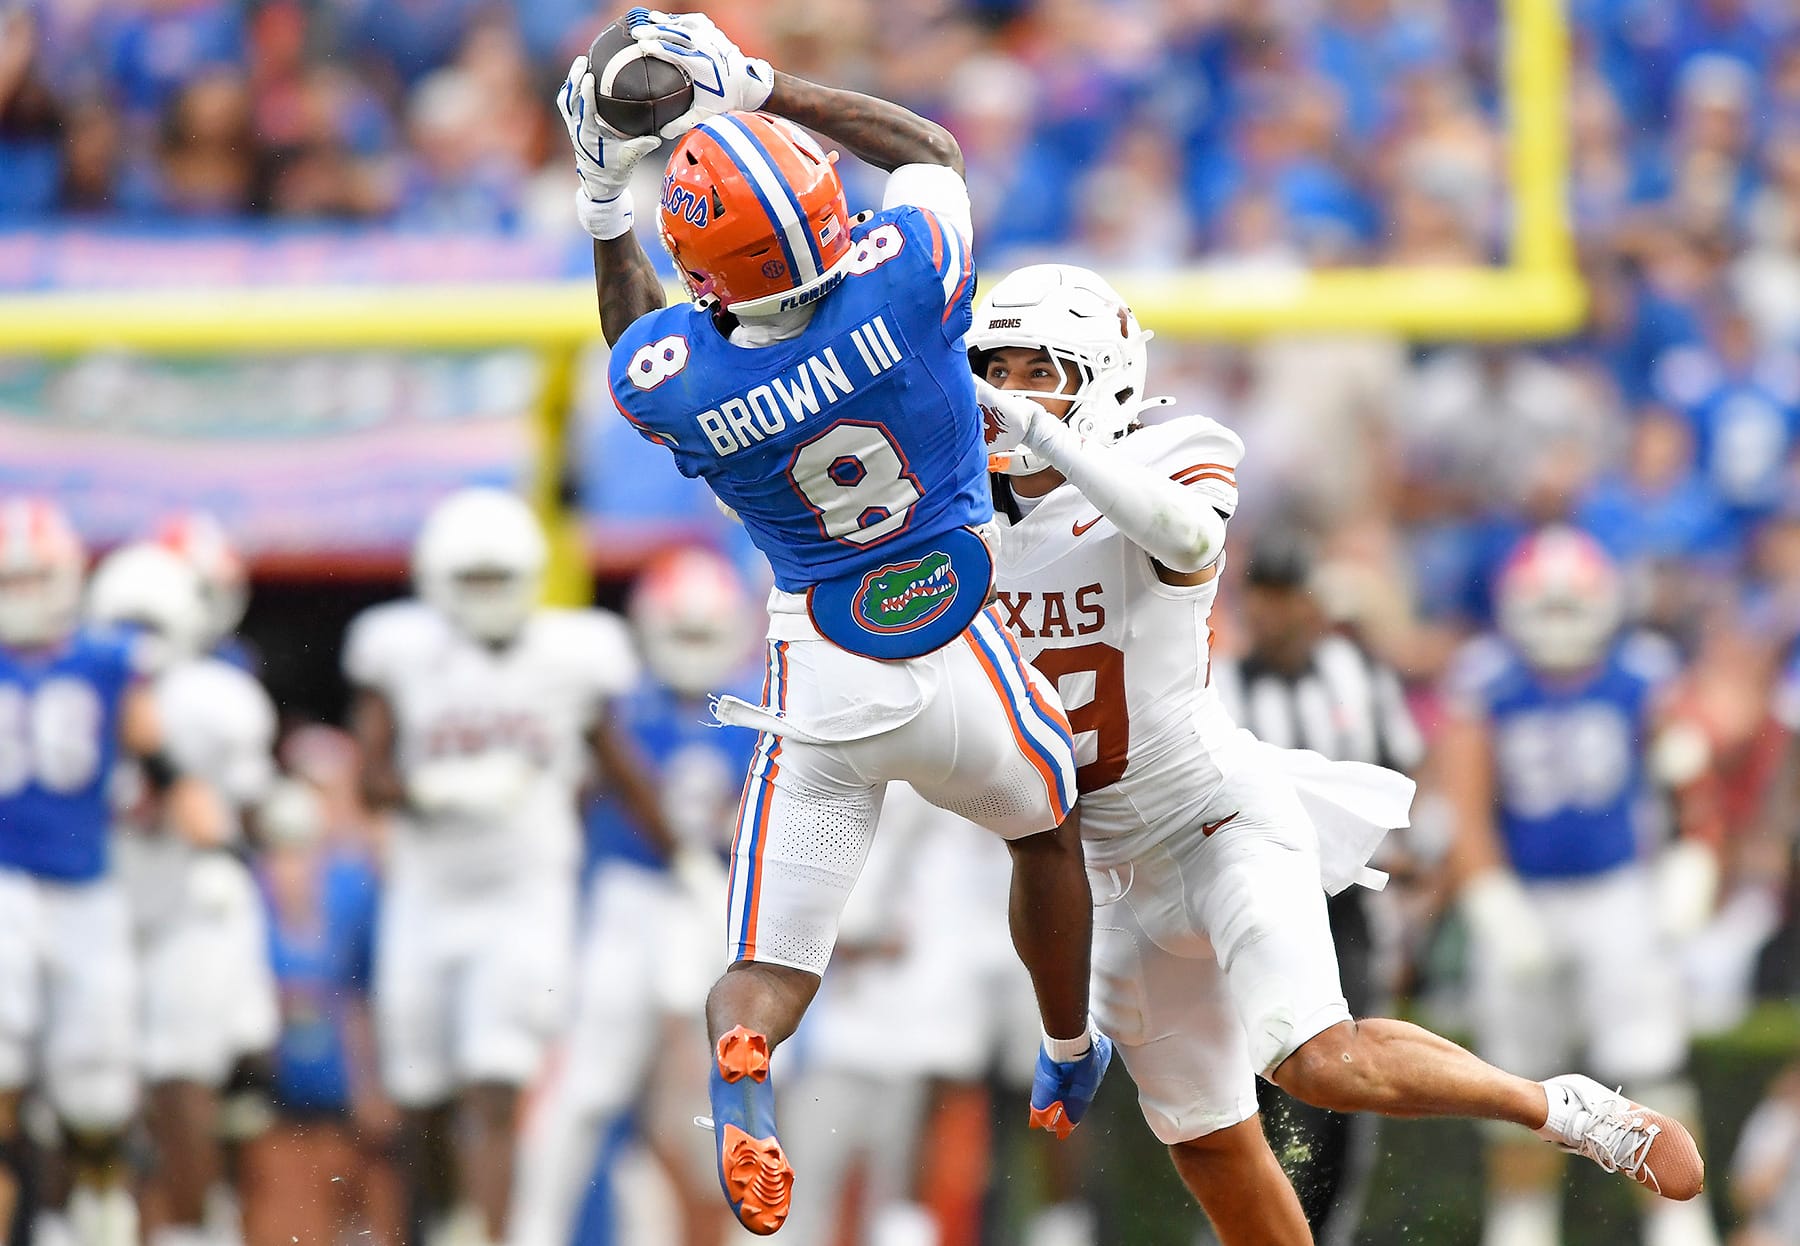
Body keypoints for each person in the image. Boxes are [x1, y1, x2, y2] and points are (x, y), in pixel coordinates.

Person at [968, 265, 1708, 1246]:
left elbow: (1185, 533)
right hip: (1099, 870)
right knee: (1212, 1145)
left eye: (1040, 370)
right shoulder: (947, 509)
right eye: (993, 369)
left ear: (1103, 380)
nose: (1009, 393)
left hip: (1212, 818)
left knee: (1317, 1059)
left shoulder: (1178, 449)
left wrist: (1044, 434)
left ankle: (1565, 1109)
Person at [558, 11, 1096, 1236]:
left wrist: (602, 198)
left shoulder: (679, 380)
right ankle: (1066, 1047)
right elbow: (929, 152)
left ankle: (743, 1061)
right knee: (1046, 831)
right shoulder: (907, 278)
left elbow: (638, 336)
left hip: (823, 677)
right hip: (958, 640)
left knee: (763, 966)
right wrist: (760, 84)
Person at [342, 487, 665, 1246]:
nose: (488, 597)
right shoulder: (402, 652)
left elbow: (622, 770)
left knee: (496, 1077)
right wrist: (437, 787)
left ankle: (492, 1236)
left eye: (500, 579)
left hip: (525, 896)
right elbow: (370, 778)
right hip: (425, 895)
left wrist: (686, 858)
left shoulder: (571, 655)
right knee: (419, 1096)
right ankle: (441, 1224)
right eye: (473, 581)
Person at [1439, 526, 1722, 1246]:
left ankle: (1680, 1228)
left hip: (1617, 893)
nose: (1560, 625)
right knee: (1519, 1087)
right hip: (1525, 893)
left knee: (1651, 1069)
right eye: (1548, 607)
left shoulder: (1642, 673)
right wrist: (1490, 896)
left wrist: (1694, 860)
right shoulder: (1488, 679)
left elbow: (1692, 782)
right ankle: (1522, 1227)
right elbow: (1464, 804)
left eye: (1574, 608)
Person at [513, 545, 759, 1246]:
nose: (690, 650)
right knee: (589, 1087)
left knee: (731, 1091)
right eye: (678, 632)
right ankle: (535, 1230)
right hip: (628, 901)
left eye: (703, 633)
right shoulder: (617, 701)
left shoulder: (758, 708)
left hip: (717, 907)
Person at [0, 498, 222, 1246]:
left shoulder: (106, 657)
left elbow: (150, 743)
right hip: (4, 886)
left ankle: (95, 1216)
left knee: (97, 1088)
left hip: (86, 888)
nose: (24, 597)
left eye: (35, 579)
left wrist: (192, 803)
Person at [1211, 529, 1425, 1246]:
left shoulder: (1359, 676)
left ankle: (1325, 1230)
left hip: (1351, 910)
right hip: (1263, 904)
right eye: (1263, 598)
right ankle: (1253, 1227)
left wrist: (1418, 866)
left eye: (1288, 597)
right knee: (1260, 1074)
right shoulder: (1221, 685)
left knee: (1349, 1073)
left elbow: (1404, 781)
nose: (1276, 614)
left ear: (1312, 603)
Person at [86, 543, 281, 1246]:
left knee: (183, 1074)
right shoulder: (74, 685)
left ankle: (197, 1231)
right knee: (88, 1084)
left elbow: (248, 821)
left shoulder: (218, 698)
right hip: (97, 900)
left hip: (190, 904)